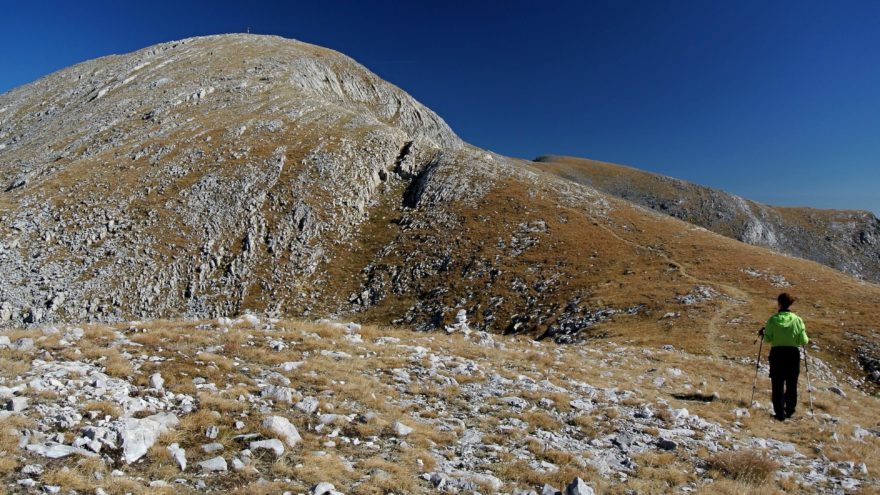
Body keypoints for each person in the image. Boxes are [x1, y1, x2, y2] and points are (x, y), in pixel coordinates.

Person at [757, 292, 809, 421]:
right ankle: (790, 410)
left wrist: (763, 333)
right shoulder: (797, 320)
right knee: (792, 383)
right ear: (790, 304)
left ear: (779, 303)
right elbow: (804, 340)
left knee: (777, 383)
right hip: (792, 354)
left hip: (777, 354)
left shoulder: (773, 320)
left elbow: (768, 339)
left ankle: (779, 413)